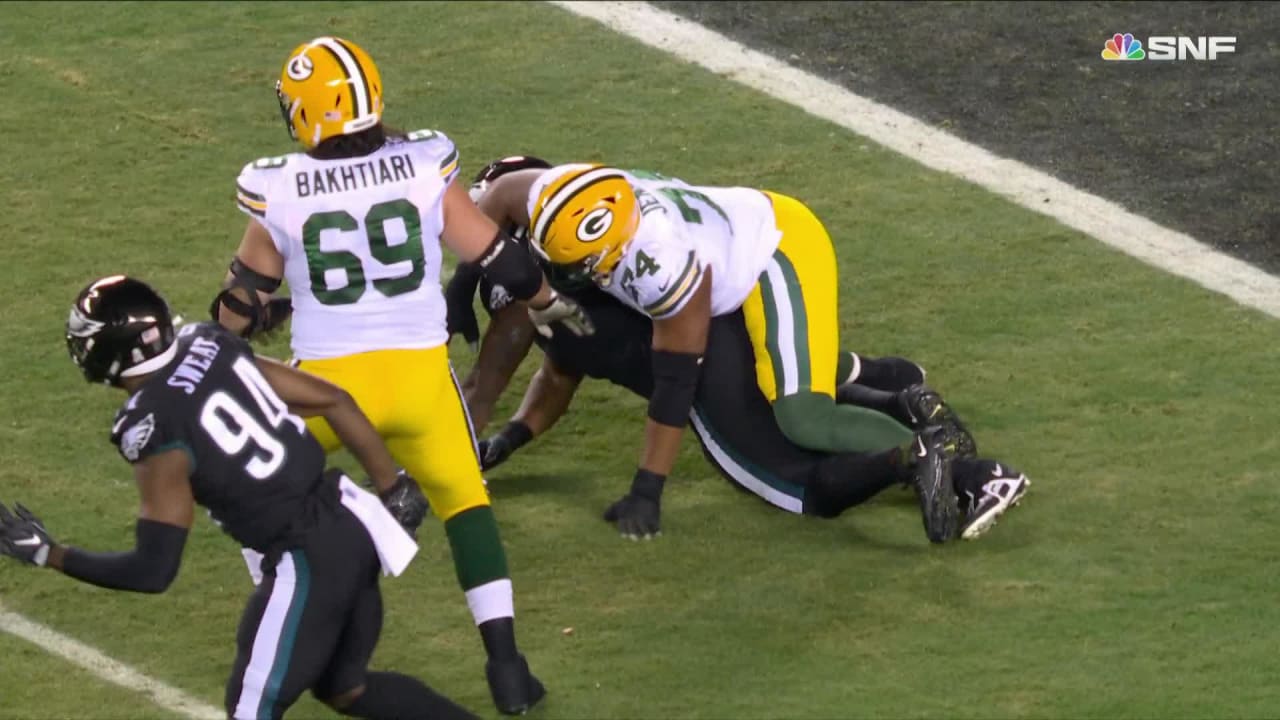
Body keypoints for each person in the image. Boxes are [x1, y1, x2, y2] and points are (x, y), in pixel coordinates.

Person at [208, 37, 586, 713]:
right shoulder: (421, 163)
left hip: (324, 390)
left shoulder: (275, 184)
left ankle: (285, 592)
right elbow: (499, 256)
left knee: (239, 479)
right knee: (467, 505)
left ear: (304, 114)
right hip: (418, 383)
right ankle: (507, 667)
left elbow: (242, 299)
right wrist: (545, 304)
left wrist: (217, 342)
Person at [452, 158, 1030, 542]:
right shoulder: (557, 197)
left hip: (771, 252)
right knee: (776, 376)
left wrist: (647, 489)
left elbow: (677, 380)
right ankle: (896, 389)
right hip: (729, 260)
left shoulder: (659, 267)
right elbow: (499, 197)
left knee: (802, 416)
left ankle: (974, 473)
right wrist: (459, 288)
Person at [0, 275, 476, 720]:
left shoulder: (152, 425)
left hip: (306, 560)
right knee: (344, 687)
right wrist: (393, 485)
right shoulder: (209, 343)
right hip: (353, 522)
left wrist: (50, 553)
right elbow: (334, 400)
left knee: (250, 710)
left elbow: (154, 570)